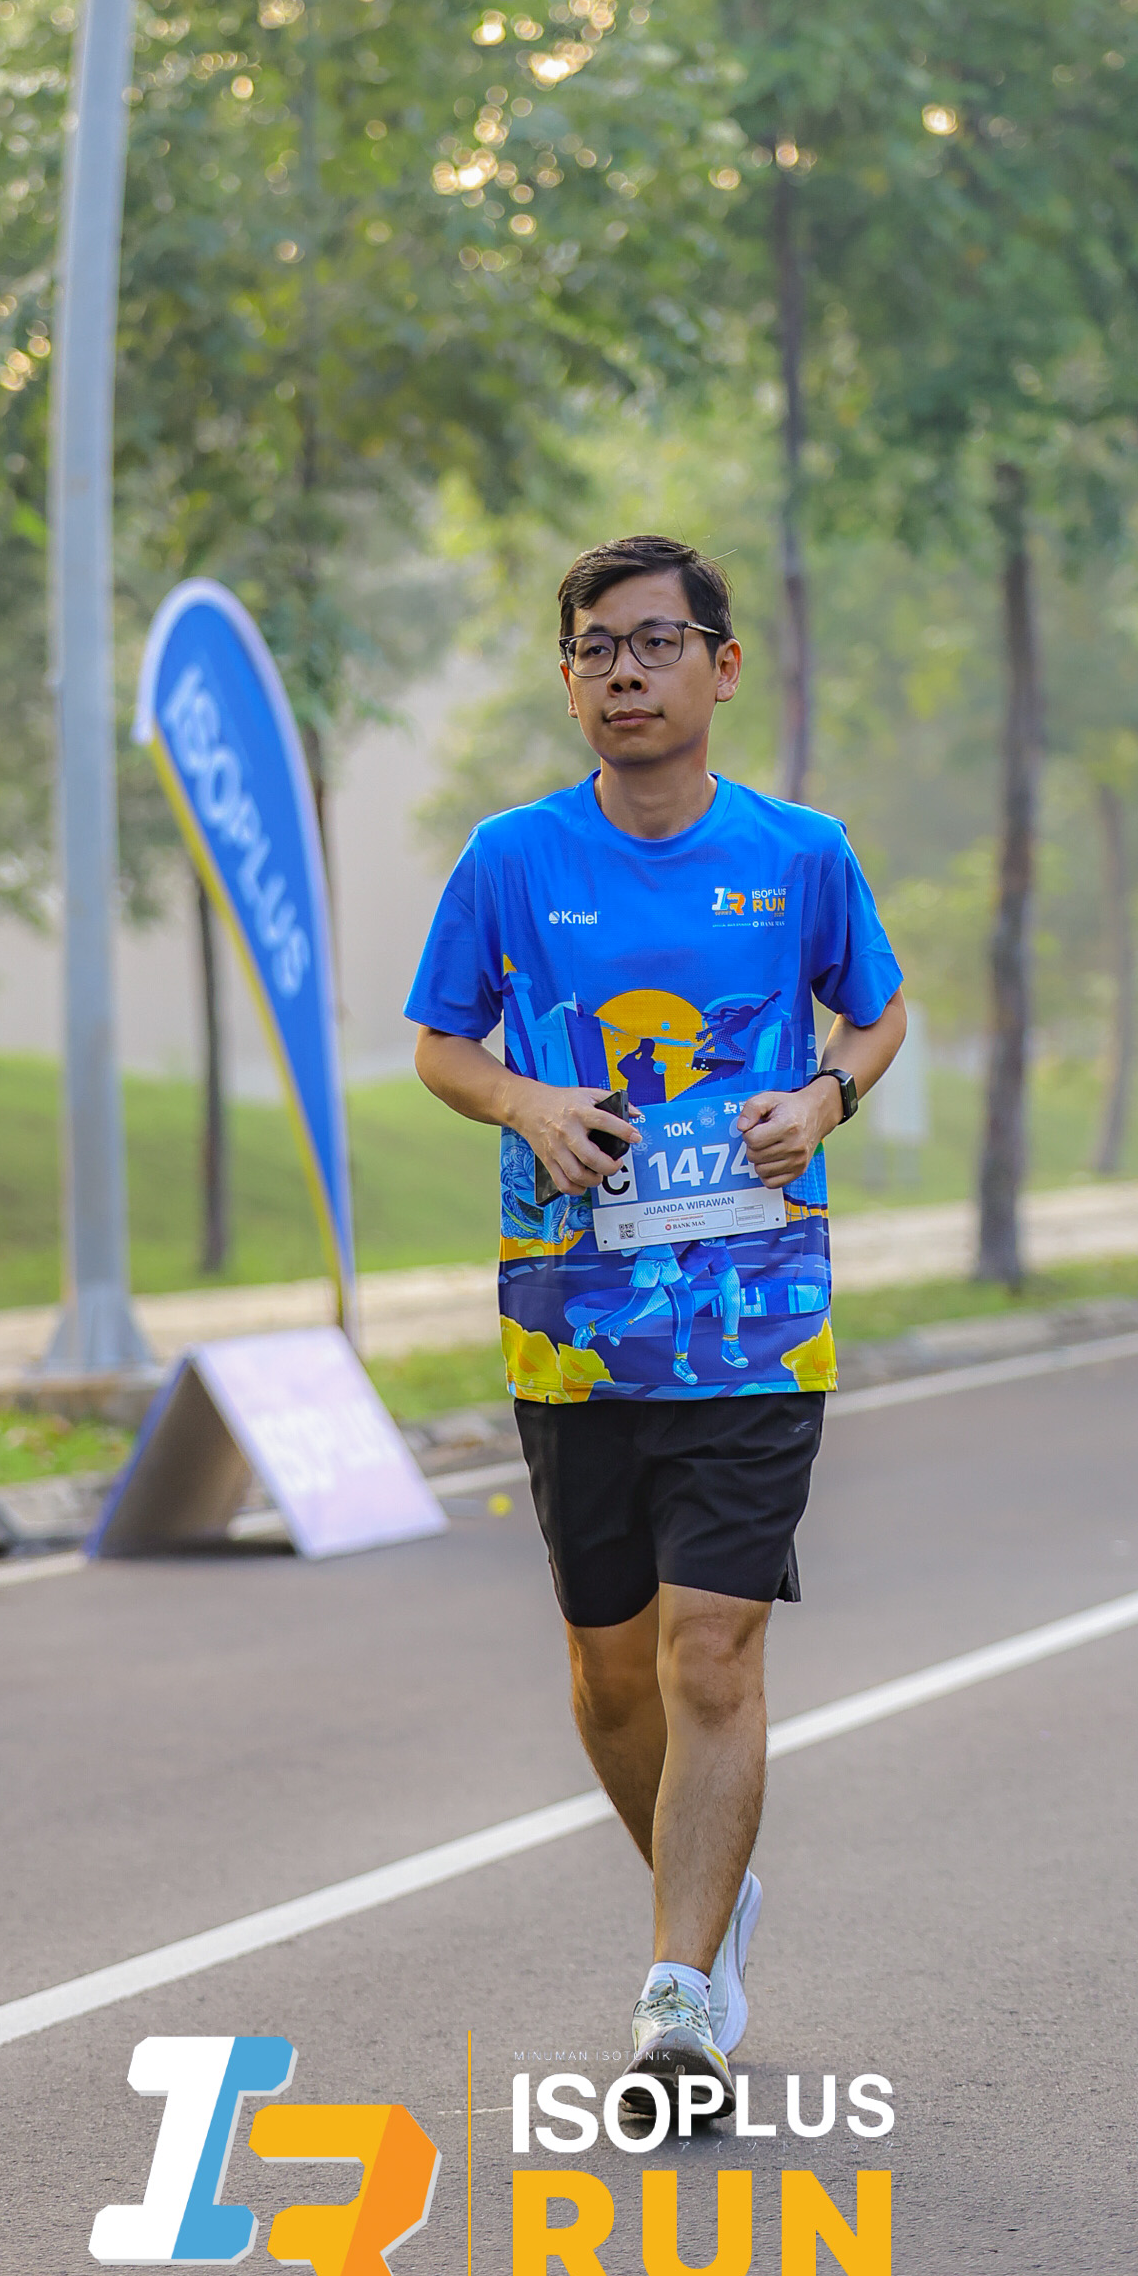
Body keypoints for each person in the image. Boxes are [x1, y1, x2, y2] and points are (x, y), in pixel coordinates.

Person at [407, 534, 906, 2119]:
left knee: (710, 1649)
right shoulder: (510, 859)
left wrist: (824, 1098)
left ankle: (678, 1997)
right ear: (569, 681)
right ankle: (713, 1884)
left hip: (756, 1317)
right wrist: (527, 1100)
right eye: (595, 650)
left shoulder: (803, 854)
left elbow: (878, 1011)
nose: (624, 672)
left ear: (721, 666)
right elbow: (441, 1044)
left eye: (654, 643)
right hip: (573, 1320)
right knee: (611, 1666)